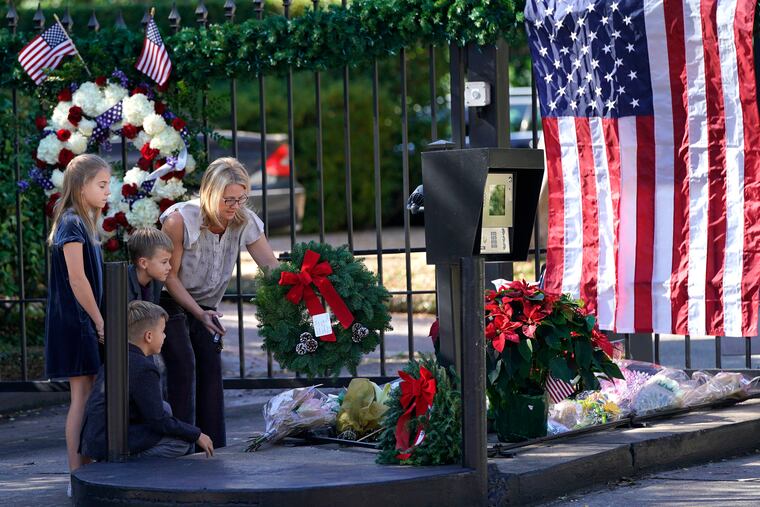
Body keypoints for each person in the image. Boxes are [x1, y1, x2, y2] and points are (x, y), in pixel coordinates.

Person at [160, 157, 279, 448]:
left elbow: (272, 268)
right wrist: (199, 314)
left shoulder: (244, 221)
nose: (235, 206)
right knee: (183, 364)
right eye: (228, 199)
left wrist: (303, 290)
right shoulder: (179, 220)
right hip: (170, 300)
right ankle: (179, 445)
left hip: (206, 305)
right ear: (210, 194)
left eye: (241, 199)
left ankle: (214, 446)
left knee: (211, 369)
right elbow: (169, 277)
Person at [44, 154, 111, 491]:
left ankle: (85, 470)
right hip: (75, 323)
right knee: (81, 397)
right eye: (101, 185)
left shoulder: (83, 222)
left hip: (83, 321)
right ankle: (76, 474)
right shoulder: (71, 222)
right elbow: (77, 280)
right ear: (81, 186)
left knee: (86, 396)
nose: (107, 192)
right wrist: (99, 321)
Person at [79, 301, 214, 460]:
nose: (165, 336)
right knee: (182, 443)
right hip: (110, 443)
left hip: (97, 438)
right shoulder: (144, 368)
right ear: (149, 336)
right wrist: (196, 434)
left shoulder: (118, 357)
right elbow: (158, 420)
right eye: (163, 331)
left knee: (165, 407)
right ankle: (128, 460)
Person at [127, 227, 173, 304]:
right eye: (164, 262)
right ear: (143, 263)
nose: (170, 267)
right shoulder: (122, 285)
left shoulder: (157, 282)